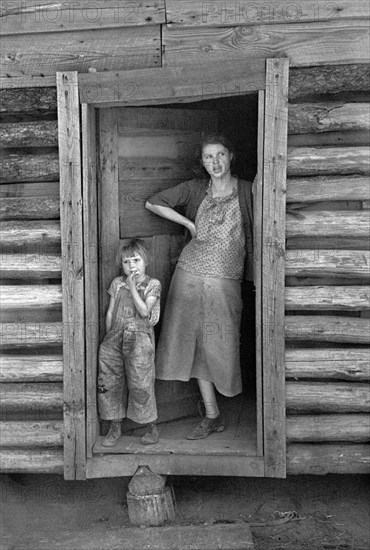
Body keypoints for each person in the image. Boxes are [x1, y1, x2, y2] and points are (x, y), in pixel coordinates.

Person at [145, 134, 253, 440]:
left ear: (231, 155)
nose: (215, 163)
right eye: (208, 157)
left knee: (218, 342)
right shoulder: (195, 189)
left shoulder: (248, 190)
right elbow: (153, 202)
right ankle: (211, 415)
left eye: (220, 155)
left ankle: (219, 411)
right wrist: (189, 224)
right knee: (189, 341)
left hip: (225, 277)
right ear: (202, 161)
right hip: (189, 272)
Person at [97, 239, 162, 447]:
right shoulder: (117, 283)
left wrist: (133, 287)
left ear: (146, 262)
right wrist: (109, 336)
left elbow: (144, 311)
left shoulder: (153, 284)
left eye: (136, 260)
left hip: (140, 340)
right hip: (114, 338)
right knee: (110, 382)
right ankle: (114, 426)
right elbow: (110, 312)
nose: (131, 266)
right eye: (126, 262)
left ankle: (151, 427)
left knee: (141, 383)